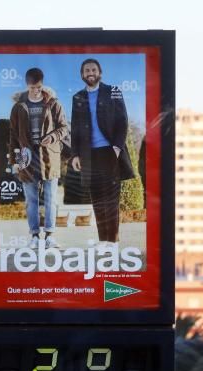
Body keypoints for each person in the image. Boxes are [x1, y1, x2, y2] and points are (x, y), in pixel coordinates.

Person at [69, 58, 138, 246]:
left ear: (100, 72)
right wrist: (75, 154)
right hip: (88, 155)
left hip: (110, 151)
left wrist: (117, 147)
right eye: (86, 70)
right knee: (97, 198)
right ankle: (103, 240)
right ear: (82, 75)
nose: (90, 72)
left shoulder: (113, 91)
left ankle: (113, 240)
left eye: (93, 69)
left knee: (111, 198)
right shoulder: (77, 98)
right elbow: (74, 128)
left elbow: (122, 120)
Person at [9, 67, 69, 250]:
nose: (36, 90)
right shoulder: (19, 107)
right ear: (27, 85)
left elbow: (64, 128)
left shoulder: (53, 103)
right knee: (31, 200)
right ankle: (34, 236)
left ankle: (50, 236)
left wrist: (52, 137)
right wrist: (15, 162)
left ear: (42, 84)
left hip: (50, 156)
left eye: (39, 87)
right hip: (26, 159)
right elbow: (13, 137)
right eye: (33, 87)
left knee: (51, 198)